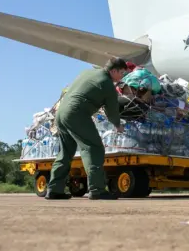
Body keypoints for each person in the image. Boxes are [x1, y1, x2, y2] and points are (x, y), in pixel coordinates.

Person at [45, 57, 128, 200]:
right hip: (77, 113)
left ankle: (54, 189)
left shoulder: (87, 73)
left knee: (66, 152)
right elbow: (112, 111)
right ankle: (97, 189)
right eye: (121, 73)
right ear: (113, 71)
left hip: (61, 113)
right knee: (93, 147)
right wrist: (118, 125)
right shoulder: (107, 84)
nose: (122, 76)